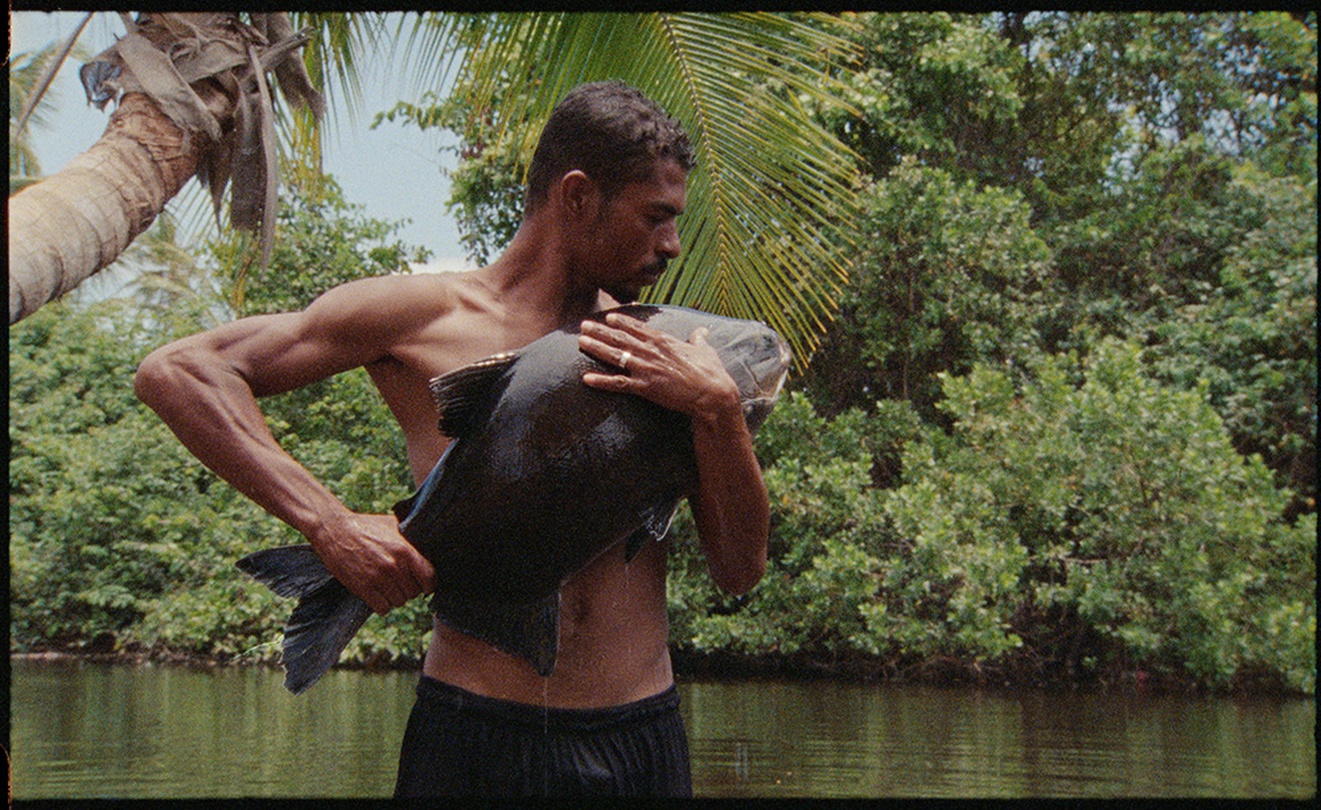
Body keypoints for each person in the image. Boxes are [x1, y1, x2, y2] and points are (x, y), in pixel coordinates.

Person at [134, 81, 769, 797]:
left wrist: (716, 411)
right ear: (578, 195)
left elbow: (739, 571)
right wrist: (328, 521)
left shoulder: (665, 351)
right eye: (655, 217)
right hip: (472, 731)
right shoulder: (421, 316)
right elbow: (180, 371)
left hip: (636, 734)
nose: (671, 245)